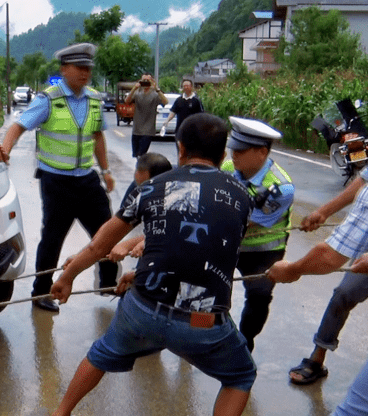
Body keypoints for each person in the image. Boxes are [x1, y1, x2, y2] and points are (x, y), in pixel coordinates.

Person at [49, 113, 256, 416]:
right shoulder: (242, 197)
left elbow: (100, 245)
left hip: (144, 311)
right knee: (241, 376)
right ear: (223, 155)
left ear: (180, 148)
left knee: (101, 353)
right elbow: (201, 252)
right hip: (202, 321)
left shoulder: (151, 187)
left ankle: (61, 412)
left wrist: (67, 277)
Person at [267, 145, 368, 415]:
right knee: (345, 293)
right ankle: (317, 356)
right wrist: (324, 212)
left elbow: (329, 257)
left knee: (356, 409)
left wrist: (293, 269)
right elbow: (366, 178)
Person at [0, 43, 116, 312]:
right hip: (57, 182)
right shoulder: (48, 99)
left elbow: (97, 136)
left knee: (107, 232)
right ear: (64, 69)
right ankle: (41, 292)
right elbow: (18, 126)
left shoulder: (95, 100)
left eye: (88, 68)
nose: (85, 73)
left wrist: (106, 171)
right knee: (53, 238)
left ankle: (108, 283)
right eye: (79, 67)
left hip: (87, 179)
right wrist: (5, 148)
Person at [220, 116, 294, 353]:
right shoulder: (228, 168)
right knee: (211, 287)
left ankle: (245, 341)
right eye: (233, 148)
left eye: (241, 150)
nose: (234, 154)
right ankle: (214, 332)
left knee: (259, 296)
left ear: (262, 152)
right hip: (230, 242)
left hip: (263, 250)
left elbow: (246, 222)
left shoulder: (281, 187)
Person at [107, 152, 173, 262]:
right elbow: (120, 221)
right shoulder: (140, 189)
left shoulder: (179, 194)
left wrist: (130, 244)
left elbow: (171, 233)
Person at [124, 74, 167, 157]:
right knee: (136, 155)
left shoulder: (155, 94)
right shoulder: (137, 93)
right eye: (144, 80)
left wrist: (157, 89)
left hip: (148, 130)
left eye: (148, 81)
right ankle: (139, 168)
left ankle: (141, 169)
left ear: (152, 81)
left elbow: (165, 102)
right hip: (136, 129)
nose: (146, 82)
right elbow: (127, 101)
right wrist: (134, 88)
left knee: (141, 154)